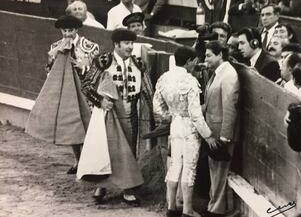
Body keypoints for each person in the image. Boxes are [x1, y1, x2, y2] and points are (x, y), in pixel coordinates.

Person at [81, 29, 154, 204]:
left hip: (132, 113)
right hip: (110, 112)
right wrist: (100, 101)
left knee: (128, 150)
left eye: (131, 43)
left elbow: (148, 91)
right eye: (126, 43)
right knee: (107, 149)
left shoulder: (138, 63)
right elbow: (86, 85)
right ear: (116, 44)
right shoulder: (104, 61)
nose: (130, 47)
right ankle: (102, 185)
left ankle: (127, 188)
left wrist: (154, 112)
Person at [25, 15, 99, 174]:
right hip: (66, 94)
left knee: (89, 127)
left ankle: (89, 162)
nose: (67, 34)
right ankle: (78, 161)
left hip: (86, 93)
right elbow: (49, 71)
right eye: (64, 31)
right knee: (71, 127)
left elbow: (95, 69)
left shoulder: (90, 46)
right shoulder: (55, 47)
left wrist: (79, 65)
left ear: (77, 29)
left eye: (70, 30)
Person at [153, 46, 216, 217]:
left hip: (175, 124)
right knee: (189, 168)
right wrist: (208, 135)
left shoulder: (164, 78)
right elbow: (196, 115)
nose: (195, 64)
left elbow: (157, 108)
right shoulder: (190, 81)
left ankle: (171, 207)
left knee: (174, 165)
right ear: (188, 61)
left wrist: (173, 116)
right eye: (194, 61)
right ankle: (187, 210)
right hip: (189, 127)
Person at [203, 40, 239, 217]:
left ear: (220, 55)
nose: (205, 59)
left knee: (219, 172)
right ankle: (214, 206)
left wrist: (225, 137)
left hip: (220, 131)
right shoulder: (219, 73)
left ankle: (216, 210)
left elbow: (230, 106)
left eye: (209, 55)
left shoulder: (228, 75)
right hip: (214, 128)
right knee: (215, 171)